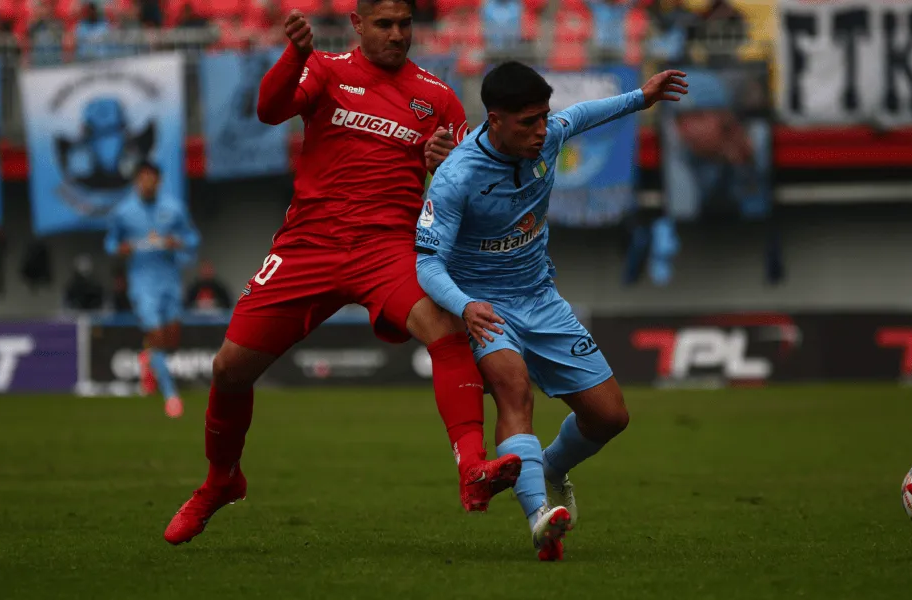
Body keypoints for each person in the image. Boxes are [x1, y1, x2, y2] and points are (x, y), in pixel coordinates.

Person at [162, 0, 522, 546]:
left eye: (405, 25)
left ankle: (472, 468)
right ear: (358, 25)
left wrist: (445, 168)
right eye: (384, 24)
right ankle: (221, 481)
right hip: (310, 245)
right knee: (229, 370)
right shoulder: (325, 70)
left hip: (387, 249)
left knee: (445, 329)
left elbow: (465, 197)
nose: (397, 35)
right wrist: (294, 54)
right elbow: (267, 109)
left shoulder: (440, 98)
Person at [415, 61, 687, 560]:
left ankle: (554, 468)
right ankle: (540, 516)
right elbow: (428, 263)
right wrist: (464, 304)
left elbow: (582, 113)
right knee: (514, 391)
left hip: (541, 298)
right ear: (494, 120)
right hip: (485, 306)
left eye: (544, 117)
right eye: (528, 122)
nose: (542, 130)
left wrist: (640, 98)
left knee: (610, 417)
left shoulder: (551, 135)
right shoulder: (456, 177)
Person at [104, 160, 200, 420]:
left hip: (169, 279)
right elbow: (110, 243)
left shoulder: (174, 208)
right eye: (142, 178)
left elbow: (193, 239)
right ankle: (171, 396)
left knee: (171, 338)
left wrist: (176, 242)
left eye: (151, 178)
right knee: (156, 334)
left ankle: (150, 358)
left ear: (158, 181)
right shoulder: (124, 212)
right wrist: (120, 249)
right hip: (142, 282)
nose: (146, 183)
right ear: (136, 181)